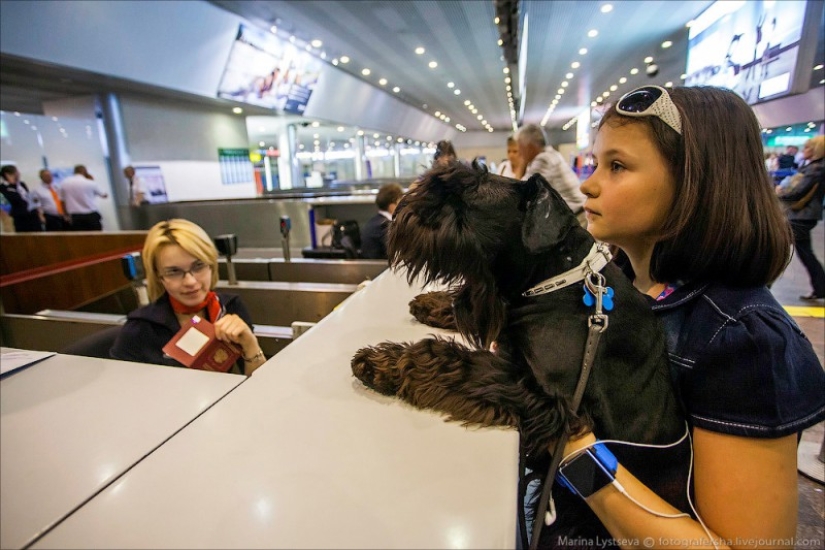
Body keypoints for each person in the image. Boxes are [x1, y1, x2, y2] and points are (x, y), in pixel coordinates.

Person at [554, 86, 825, 547]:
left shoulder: (743, 341)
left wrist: (575, 450)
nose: (588, 184)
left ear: (694, 183)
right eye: (596, 163)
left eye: (617, 166)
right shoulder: (618, 284)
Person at [110, 219, 266, 376]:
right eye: (174, 271)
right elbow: (121, 389)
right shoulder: (140, 329)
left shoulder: (230, 308)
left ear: (211, 265)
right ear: (159, 276)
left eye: (198, 266)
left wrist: (251, 345)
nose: (190, 282)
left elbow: (260, 387)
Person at [777, 135, 825, 301]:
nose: (802, 151)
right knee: (806, 254)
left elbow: (799, 192)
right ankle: (821, 287)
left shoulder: (815, 169)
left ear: (815, 150)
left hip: (802, 216)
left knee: (775, 247)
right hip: (803, 216)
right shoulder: (813, 167)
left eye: (806, 148)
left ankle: (761, 287)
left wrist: (778, 195)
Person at [516, 123, 587, 226]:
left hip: (577, 219)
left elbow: (521, 191)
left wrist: (520, 165)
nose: (519, 154)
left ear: (530, 147)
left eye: (520, 148)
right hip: (577, 215)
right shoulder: (552, 154)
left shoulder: (543, 159)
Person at [360, 183, 403, 260]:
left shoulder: (375, 221)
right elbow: (396, 253)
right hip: (379, 267)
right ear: (392, 206)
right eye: (400, 202)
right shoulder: (384, 226)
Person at [61, 164, 108, 230]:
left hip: (75, 216)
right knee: (96, 237)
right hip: (91, 215)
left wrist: (65, 215)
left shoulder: (64, 183)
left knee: (80, 238)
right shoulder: (90, 182)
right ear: (85, 171)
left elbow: (62, 201)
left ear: (74, 172)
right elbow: (104, 195)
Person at [0, 165, 43, 232]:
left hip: (33, 217)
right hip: (19, 219)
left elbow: (30, 198)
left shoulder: (21, 184)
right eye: (16, 172)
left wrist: (39, 213)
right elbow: (5, 207)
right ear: (7, 174)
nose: (19, 173)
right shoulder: (3, 188)